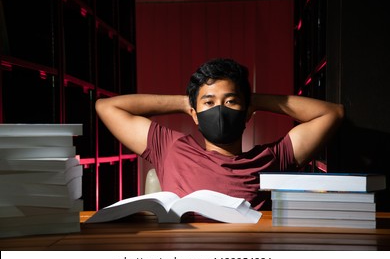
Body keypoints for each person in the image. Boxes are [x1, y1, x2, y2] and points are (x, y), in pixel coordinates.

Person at [95, 58, 344, 210]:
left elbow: (332, 114)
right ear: (194, 113)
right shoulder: (171, 148)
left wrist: (253, 101)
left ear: (247, 113)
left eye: (231, 102)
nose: (219, 110)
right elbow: (107, 107)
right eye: (209, 103)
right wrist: (186, 103)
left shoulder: (272, 158)